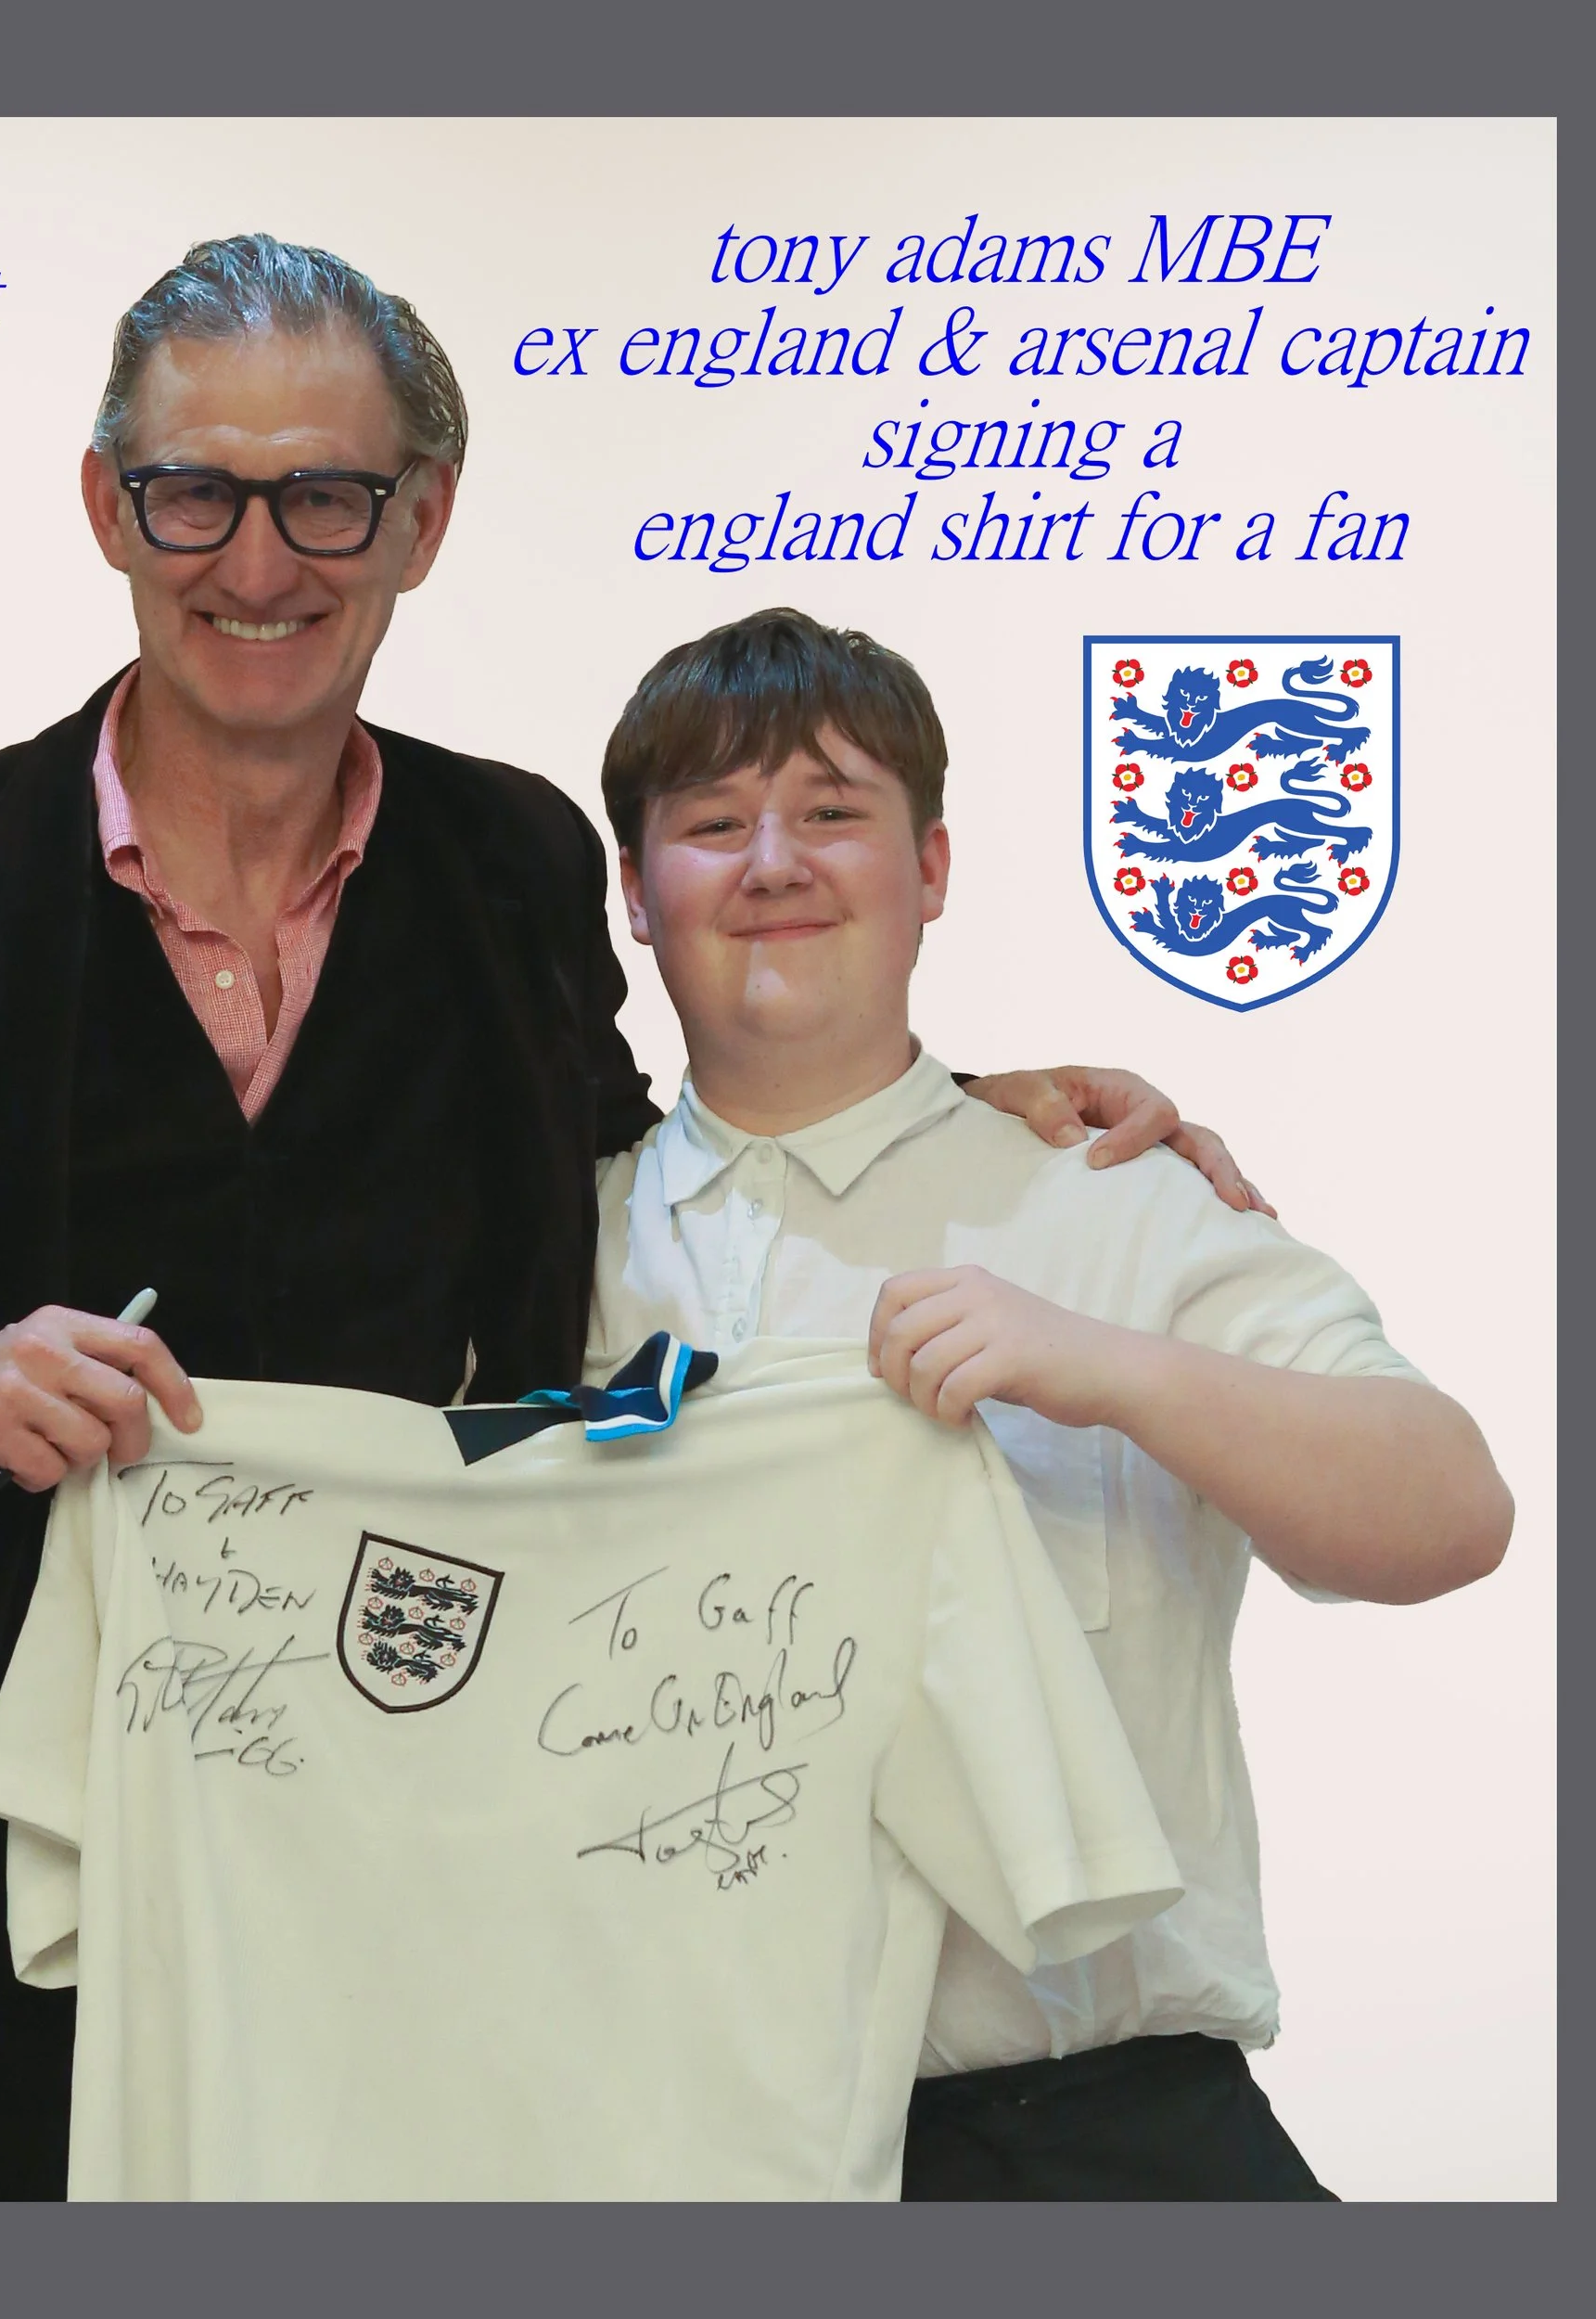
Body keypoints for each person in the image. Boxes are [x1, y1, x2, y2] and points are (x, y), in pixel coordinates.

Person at [0, 236, 1250, 2203]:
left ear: (422, 519)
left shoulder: (506, 860)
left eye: (325, 494)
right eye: (196, 491)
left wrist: (931, 1105)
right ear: (107, 506)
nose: (259, 562)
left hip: (424, 1884)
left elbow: (623, 1190)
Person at [588, 605, 1513, 2201]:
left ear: (933, 868)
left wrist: (1105, 1368)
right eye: (713, 825)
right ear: (634, 893)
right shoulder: (542, 1251)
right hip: (664, 2149)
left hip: (1097, 2148)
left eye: (831, 812)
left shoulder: (1113, 1200)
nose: (774, 864)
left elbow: (1451, 1510)